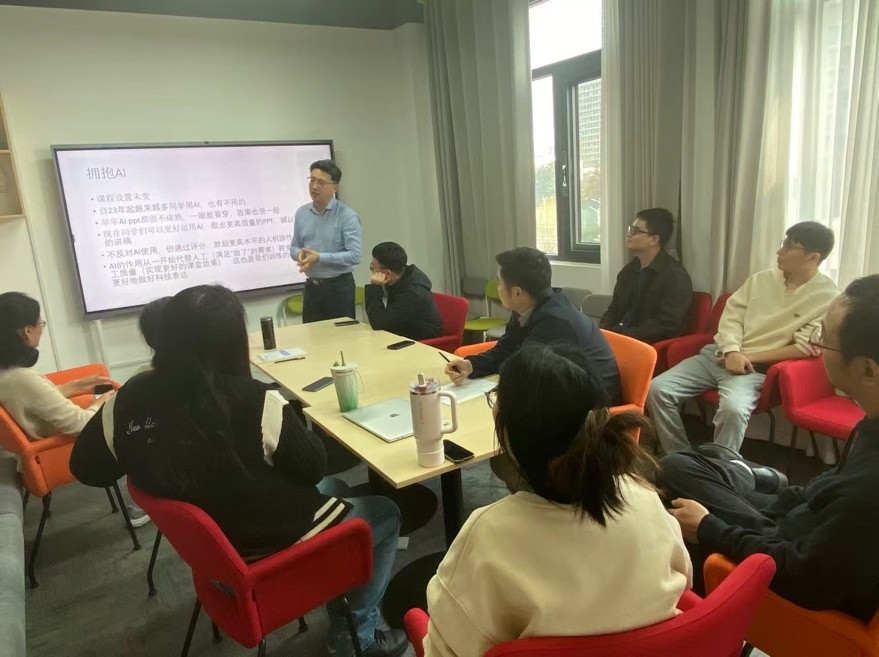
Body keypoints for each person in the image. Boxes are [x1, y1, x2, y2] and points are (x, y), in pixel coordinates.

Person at [69, 285, 408, 657]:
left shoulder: (126, 400)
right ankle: (354, 636)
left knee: (337, 487)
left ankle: (339, 590)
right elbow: (312, 466)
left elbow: (88, 468)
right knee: (385, 513)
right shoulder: (252, 399)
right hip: (263, 555)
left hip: (212, 556)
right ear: (233, 342)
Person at [423, 343, 692, 657]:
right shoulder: (644, 497)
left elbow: (444, 646)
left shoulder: (488, 534)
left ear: (514, 434)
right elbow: (683, 581)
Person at [661, 275, 879, 621]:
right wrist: (787, 499)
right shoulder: (872, 424)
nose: (817, 347)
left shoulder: (867, 494)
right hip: (802, 521)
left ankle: (747, 478)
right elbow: (829, 490)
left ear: (867, 369)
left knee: (675, 477)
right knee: (685, 464)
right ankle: (752, 479)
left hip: (790, 553)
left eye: (824, 340)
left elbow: (803, 577)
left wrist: (710, 528)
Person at [647, 221, 838, 453]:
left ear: (813, 257)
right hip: (717, 355)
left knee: (734, 410)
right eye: (783, 243)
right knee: (657, 389)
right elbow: (731, 317)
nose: (780, 251)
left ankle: (721, 468)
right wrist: (732, 351)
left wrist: (746, 356)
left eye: (789, 247)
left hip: (754, 369)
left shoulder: (827, 296)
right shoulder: (761, 279)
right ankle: (678, 456)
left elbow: (805, 347)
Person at [444, 247, 622, 405]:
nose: (498, 288)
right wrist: (471, 365)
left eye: (499, 283)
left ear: (517, 292)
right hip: (560, 392)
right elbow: (506, 350)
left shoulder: (555, 322)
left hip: (593, 409)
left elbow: (524, 371)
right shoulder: (527, 308)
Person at [0, 291, 114, 439]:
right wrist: (101, 404)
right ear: (27, 331)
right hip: (62, 449)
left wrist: (77, 385)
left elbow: (35, 399)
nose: (41, 329)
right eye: (41, 324)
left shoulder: (7, 375)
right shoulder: (21, 379)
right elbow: (81, 425)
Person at [600, 208, 694, 343]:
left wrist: (624, 337)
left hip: (644, 343)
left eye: (636, 231)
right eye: (630, 229)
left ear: (654, 239)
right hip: (618, 337)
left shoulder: (676, 276)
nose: (629, 234)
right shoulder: (629, 270)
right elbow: (614, 310)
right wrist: (601, 332)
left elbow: (666, 323)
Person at [289, 159, 362, 323]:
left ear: (334, 187)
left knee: (341, 335)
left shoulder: (347, 216)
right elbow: (294, 247)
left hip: (339, 288)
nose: (314, 186)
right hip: (312, 288)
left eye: (321, 182)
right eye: (312, 180)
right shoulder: (301, 213)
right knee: (312, 335)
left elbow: (355, 256)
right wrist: (299, 254)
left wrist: (320, 257)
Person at [364, 242, 442, 340]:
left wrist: (375, 286)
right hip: (401, 333)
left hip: (422, 342)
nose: (372, 272)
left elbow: (379, 323)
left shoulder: (412, 293)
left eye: (373, 268)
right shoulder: (399, 278)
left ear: (388, 273)